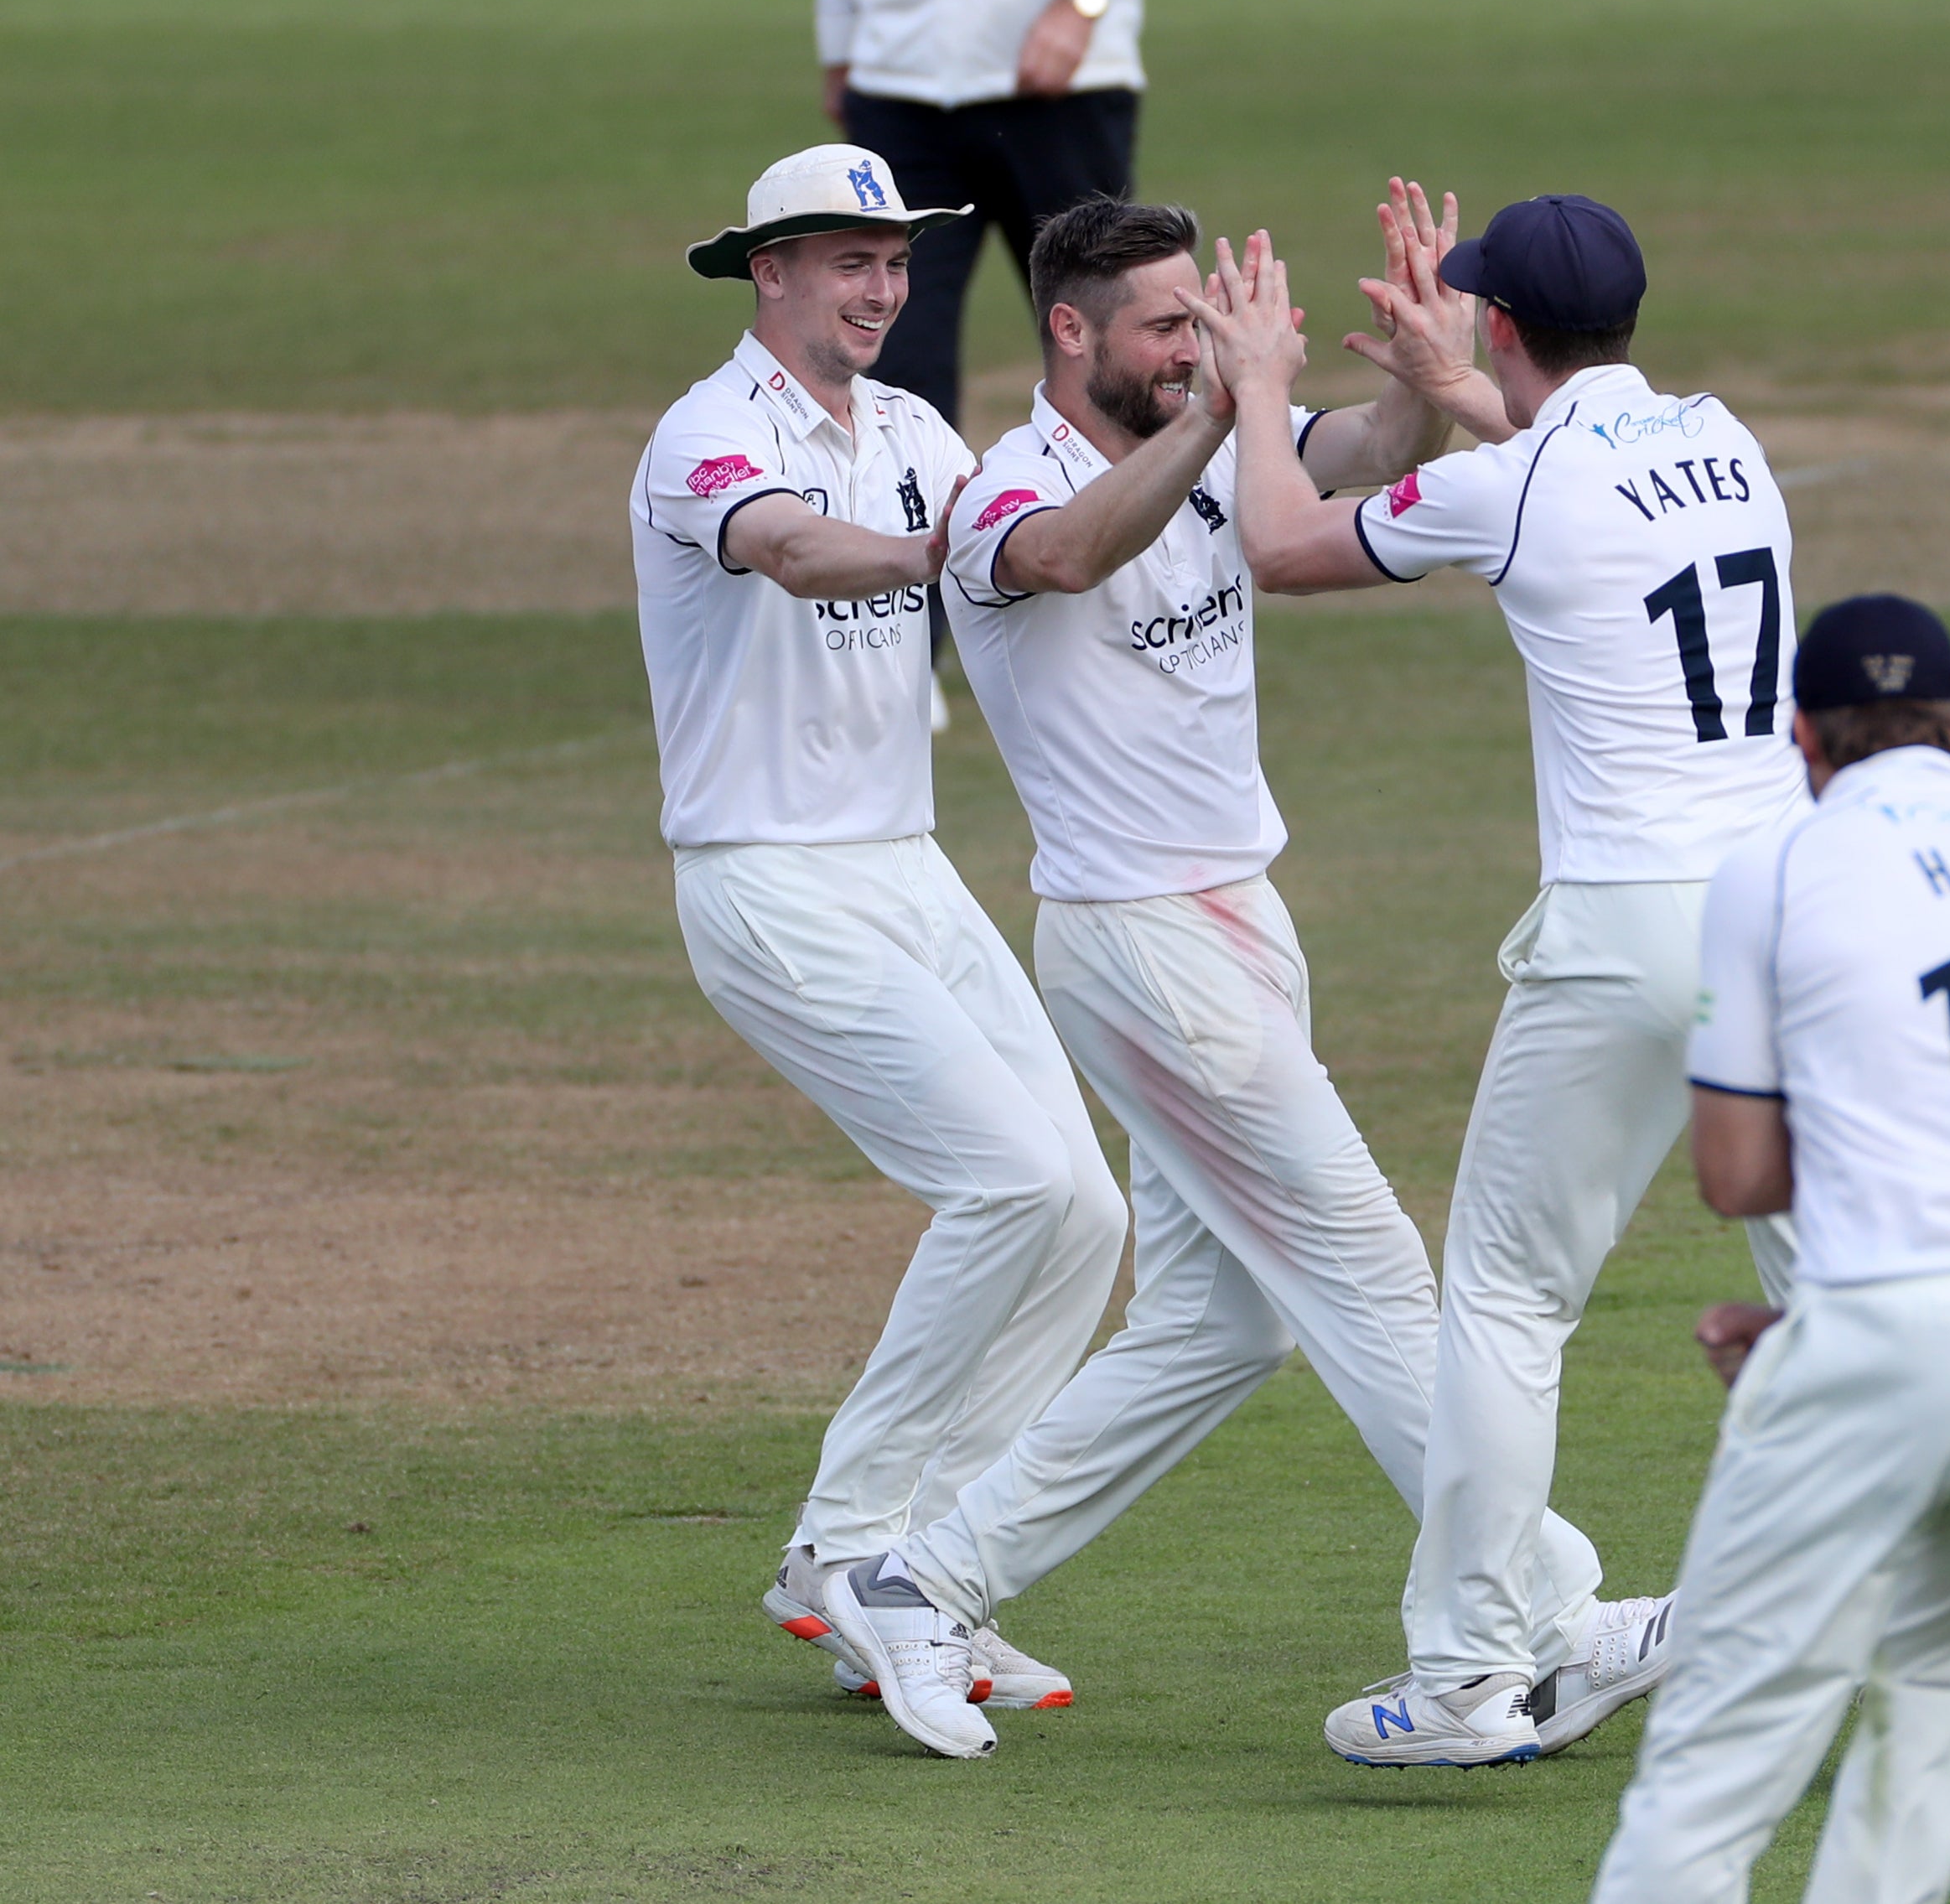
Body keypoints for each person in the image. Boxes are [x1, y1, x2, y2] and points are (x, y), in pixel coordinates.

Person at [819, 190, 1659, 1763]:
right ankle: (1547, 1614)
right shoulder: (1016, 486)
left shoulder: (1205, 433)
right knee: (1373, 1279)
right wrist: (1222, 411)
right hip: (1141, 948)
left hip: (1235, 926)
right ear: (1066, 332)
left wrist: (1418, 358)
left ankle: (923, 1581)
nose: (1193, 349)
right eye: (1163, 327)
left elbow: (1367, 455)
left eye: (1205, 323)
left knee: (1221, 1326)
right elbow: (1070, 555)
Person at [1189, 195, 1808, 1767]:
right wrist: (1463, 381)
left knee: (1506, 1300)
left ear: (1512, 329)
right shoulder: (1723, 437)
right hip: (1791, 915)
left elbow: (1274, 542)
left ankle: (1468, 1677)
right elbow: (1562, 467)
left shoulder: (1511, 485)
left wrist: (1260, 384)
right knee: (1833, 1287)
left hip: (1626, 929)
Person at [632, 144, 1130, 1739]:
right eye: (844, 260)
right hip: (766, 878)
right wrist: (948, 555)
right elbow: (782, 548)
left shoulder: (916, 429)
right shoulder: (703, 437)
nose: (878, 288)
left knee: (1085, 1212)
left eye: (896, 262)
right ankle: (850, 1554)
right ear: (765, 271)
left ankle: (920, 1574)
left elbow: (1044, 530)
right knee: (1007, 1182)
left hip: (908, 869)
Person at [1589, 594, 1950, 1903]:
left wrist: (1848, 1325)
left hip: (1896, 1344)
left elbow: (1734, 1178)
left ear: (1804, 739)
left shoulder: (1777, 866)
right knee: (1936, 1725)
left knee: (1713, 1766)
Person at [809, 0, 1170, 428]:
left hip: (1062, 86)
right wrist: (840, 39)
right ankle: (915, 529)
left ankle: (1131, 527)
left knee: (1104, 350)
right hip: (901, 85)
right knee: (894, 357)